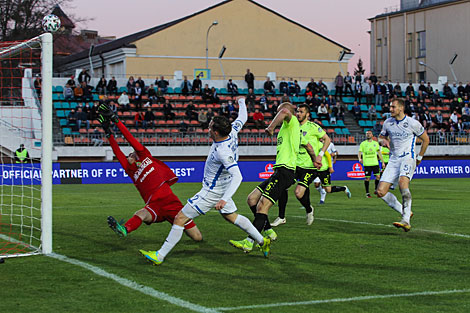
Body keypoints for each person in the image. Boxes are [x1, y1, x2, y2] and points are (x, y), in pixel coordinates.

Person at [139, 97, 271, 265]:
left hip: (212, 191)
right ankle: (261, 241)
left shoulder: (223, 151)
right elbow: (242, 118)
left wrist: (223, 198)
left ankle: (160, 255)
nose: (208, 128)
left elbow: (238, 176)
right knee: (232, 217)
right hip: (222, 186)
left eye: (210, 126)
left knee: (180, 218)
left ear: (215, 132)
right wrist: (241, 102)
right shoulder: (232, 131)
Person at [95, 104, 203, 242]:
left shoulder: (145, 155)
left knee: (197, 237)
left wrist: (116, 120)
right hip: (154, 205)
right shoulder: (130, 170)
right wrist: (108, 133)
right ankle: (124, 229)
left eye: (134, 153)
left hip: (170, 202)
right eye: (130, 154)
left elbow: (130, 138)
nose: (132, 154)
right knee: (141, 214)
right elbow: (116, 151)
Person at [229, 102, 300, 252]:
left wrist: (271, 127)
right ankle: (268, 230)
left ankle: (249, 242)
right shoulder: (288, 129)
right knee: (252, 199)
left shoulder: (291, 121)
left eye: (277, 112)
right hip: (280, 171)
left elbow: (285, 111)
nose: (277, 114)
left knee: (262, 206)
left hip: (285, 171)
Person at [271, 104, 329, 227]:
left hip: (310, 166)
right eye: (297, 111)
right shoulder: (294, 126)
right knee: (282, 186)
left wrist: (320, 155)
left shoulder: (313, 127)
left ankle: (309, 209)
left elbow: (327, 140)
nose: (298, 114)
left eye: (301, 112)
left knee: (298, 193)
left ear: (307, 114)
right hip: (295, 165)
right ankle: (281, 217)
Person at [376, 98, 429, 232]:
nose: (390, 109)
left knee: (402, 183)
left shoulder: (412, 123)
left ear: (401, 108)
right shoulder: (388, 123)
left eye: (393, 107)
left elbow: (426, 140)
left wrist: (419, 157)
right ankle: (404, 210)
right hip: (394, 159)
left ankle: (406, 220)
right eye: (390, 107)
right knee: (380, 192)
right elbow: (380, 137)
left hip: (408, 157)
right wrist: (382, 142)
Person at [314, 139, 351, 204]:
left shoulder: (329, 144)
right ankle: (320, 199)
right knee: (316, 184)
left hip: (326, 167)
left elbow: (336, 152)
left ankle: (343, 188)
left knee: (327, 188)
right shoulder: (314, 144)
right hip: (316, 168)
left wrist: (334, 157)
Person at [358, 130, 384, 198]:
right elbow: (360, 152)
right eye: (367, 134)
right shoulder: (363, 144)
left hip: (375, 163)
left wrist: (383, 162)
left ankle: (376, 189)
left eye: (369, 133)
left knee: (378, 176)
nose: (368, 135)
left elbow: (379, 153)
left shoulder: (375, 143)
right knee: (367, 178)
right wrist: (360, 158)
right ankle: (367, 193)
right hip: (367, 164)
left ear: (372, 135)